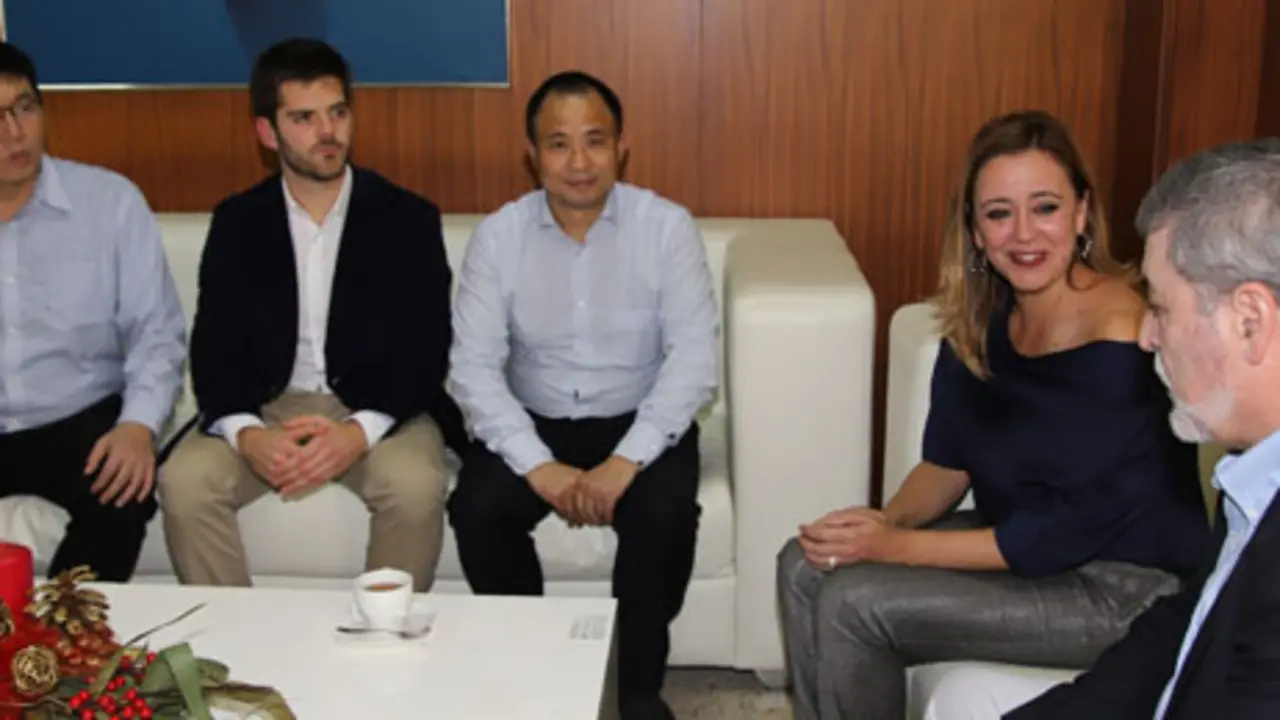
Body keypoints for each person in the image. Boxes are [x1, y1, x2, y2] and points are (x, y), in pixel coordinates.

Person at [775, 110, 1213, 720]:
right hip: (1023, 550)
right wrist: (882, 521)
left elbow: (1060, 532)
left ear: (1082, 213)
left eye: (1046, 207)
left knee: (857, 602)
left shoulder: (1123, 336)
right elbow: (946, 464)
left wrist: (895, 546)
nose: (1023, 234)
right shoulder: (980, 322)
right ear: (975, 231)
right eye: (999, 213)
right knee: (803, 564)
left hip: (1123, 586)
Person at [917, 139, 1280, 719]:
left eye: (1161, 309)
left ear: (1250, 321)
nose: (1147, 337)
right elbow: (1177, 635)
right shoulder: (1251, 480)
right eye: (999, 212)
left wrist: (892, 544)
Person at [445, 70, 719, 720]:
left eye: (595, 141)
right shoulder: (499, 237)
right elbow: (473, 369)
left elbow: (694, 361)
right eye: (559, 144)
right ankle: (534, 679)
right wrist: (539, 466)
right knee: (478, 510)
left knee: (663, 516)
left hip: (639, 414)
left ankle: (636, 689)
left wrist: (626, 461)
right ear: (533, 155)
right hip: (536, 416)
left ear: (622, 147)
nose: (578, 163)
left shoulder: (666, 228)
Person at [158, 38, 466, 592]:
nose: (328, 132)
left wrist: (356, 433)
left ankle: (383, 634)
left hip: (376, 407)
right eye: (304, 118)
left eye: (337, 112)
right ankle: (235, 641)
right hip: (268, 404)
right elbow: (213, 352)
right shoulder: (238, 222)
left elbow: (425, 352)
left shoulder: (407, 218)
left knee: (415, 486)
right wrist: (248, 435)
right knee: (184, 482)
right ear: (267, 132)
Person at [0, 42, 186, 581]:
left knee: (120, 494)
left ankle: (64, 629)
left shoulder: (109, 202)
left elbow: (157, 332)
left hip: (78, 416)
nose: (14, 132)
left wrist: (138, 425)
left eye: (25, 107)